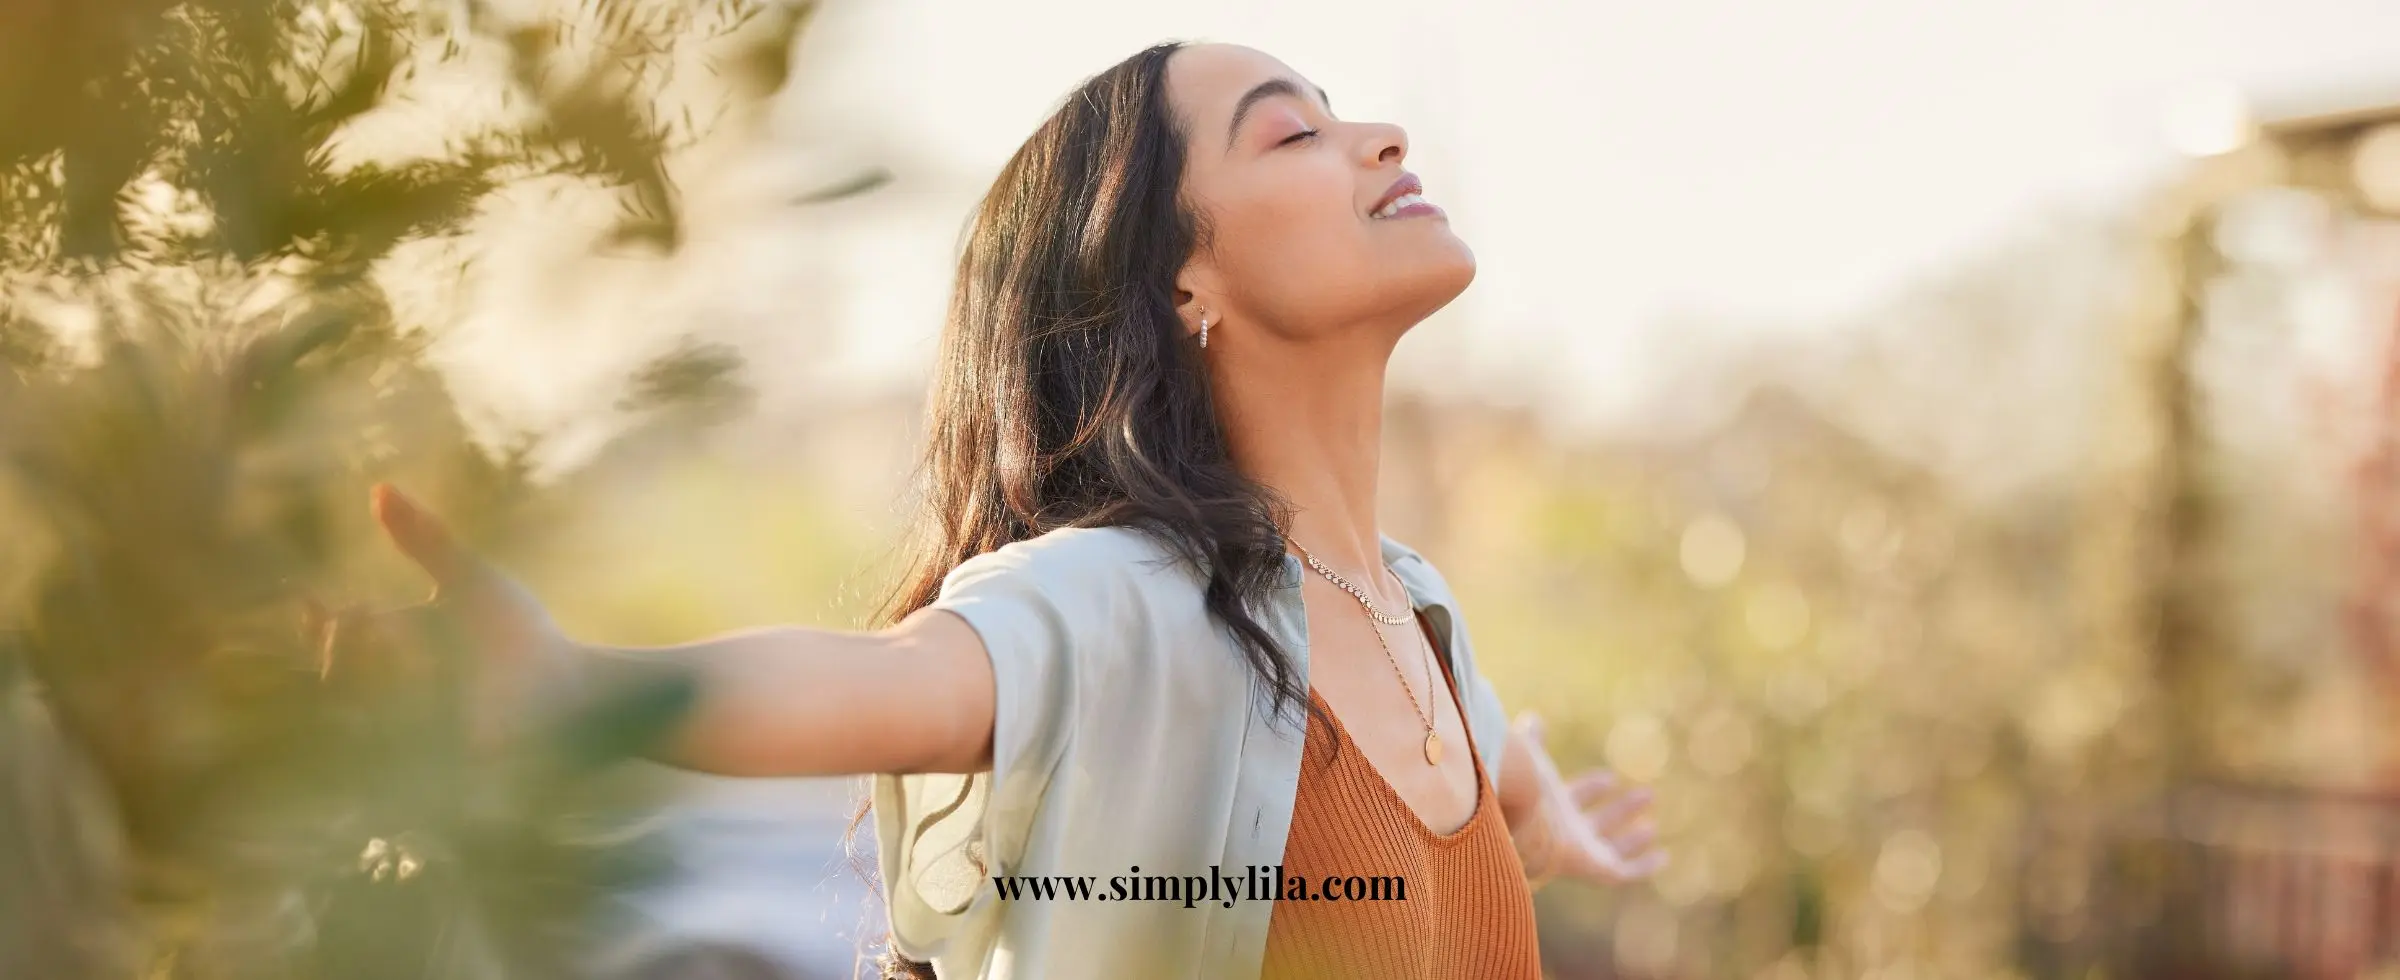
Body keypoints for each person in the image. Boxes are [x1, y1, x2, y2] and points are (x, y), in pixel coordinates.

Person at [363, 39, 1665, 980]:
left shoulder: (1417, 611)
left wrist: (1536, 821)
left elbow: (1482, 765)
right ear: (1180, 280)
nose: (1380, 137)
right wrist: (572, 689)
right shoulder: (1129, 603)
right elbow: (888, 681)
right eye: (1292, 132)